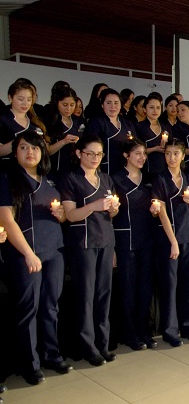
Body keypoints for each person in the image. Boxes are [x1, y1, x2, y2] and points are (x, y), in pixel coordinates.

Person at [0, 131, 72, 385]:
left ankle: (52, 355)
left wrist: (62, 214)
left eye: (35, 148)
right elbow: (7, 220)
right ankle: (30, 364)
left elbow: (63, 216)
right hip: (26, 254)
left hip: (54, 250)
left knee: (50, 306)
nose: (30, 152)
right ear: (15, 152)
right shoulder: (9, 179)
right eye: (23, 148)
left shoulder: (50, 180)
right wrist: (28, 254)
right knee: (28, 310)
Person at [59, 134, 119, 366]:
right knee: (86, 296)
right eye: (90, 153)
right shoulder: (71, 179)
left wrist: (113, 208)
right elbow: (71, 215)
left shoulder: (105, 179)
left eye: (99, 154)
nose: (95, 158)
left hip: (106, 240)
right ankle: (88, 346)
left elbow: (112, 214)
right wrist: (94, 205)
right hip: (84, 243)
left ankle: (103, 343)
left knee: (104, 294)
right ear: (79, 153)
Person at [151, 139, 189, 347]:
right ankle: (170, 330)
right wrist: (173, 242)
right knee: (170, 285)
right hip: (169, 238)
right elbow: (161, 213)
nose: (171, 158)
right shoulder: (160, 179)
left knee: (188, 283)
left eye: (176, 153)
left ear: (183, 156)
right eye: (168, 153)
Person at [111, 138, 157, 351]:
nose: (142, 158)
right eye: (137, 153)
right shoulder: (116, 179)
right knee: (128, 289)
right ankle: (130, 333)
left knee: (145, 287)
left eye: (144, 154)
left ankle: (144, 330)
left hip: (147, 239)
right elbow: (110, 216)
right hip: (125, 240)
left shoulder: (149, 179)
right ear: (126, 155)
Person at [84, 88, 136, 175]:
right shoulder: (96, 122)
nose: (113, 106)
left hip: (125, 168)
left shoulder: (127, 123)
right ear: (102, 105)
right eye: (108, 103)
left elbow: (135, 144)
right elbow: (90, 145)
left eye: (116, 103)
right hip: (105, 168)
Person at [0, 80, 49, 170]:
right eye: (20, 99)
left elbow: (46, 150)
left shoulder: (35, 122)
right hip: (8, 170)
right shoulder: (3, 119)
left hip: (32, 171)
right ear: (10, 98)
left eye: (29, 99)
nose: (25, 103)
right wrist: (19, 142)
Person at [45, 87, 83, 176]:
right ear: (57, 103)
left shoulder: (79, 122)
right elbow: (47, 151)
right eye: (65, 105)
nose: (68, 109)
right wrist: (63, 142)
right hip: (55, 171)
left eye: (72, 105)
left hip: (75, 171)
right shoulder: (49, 122)